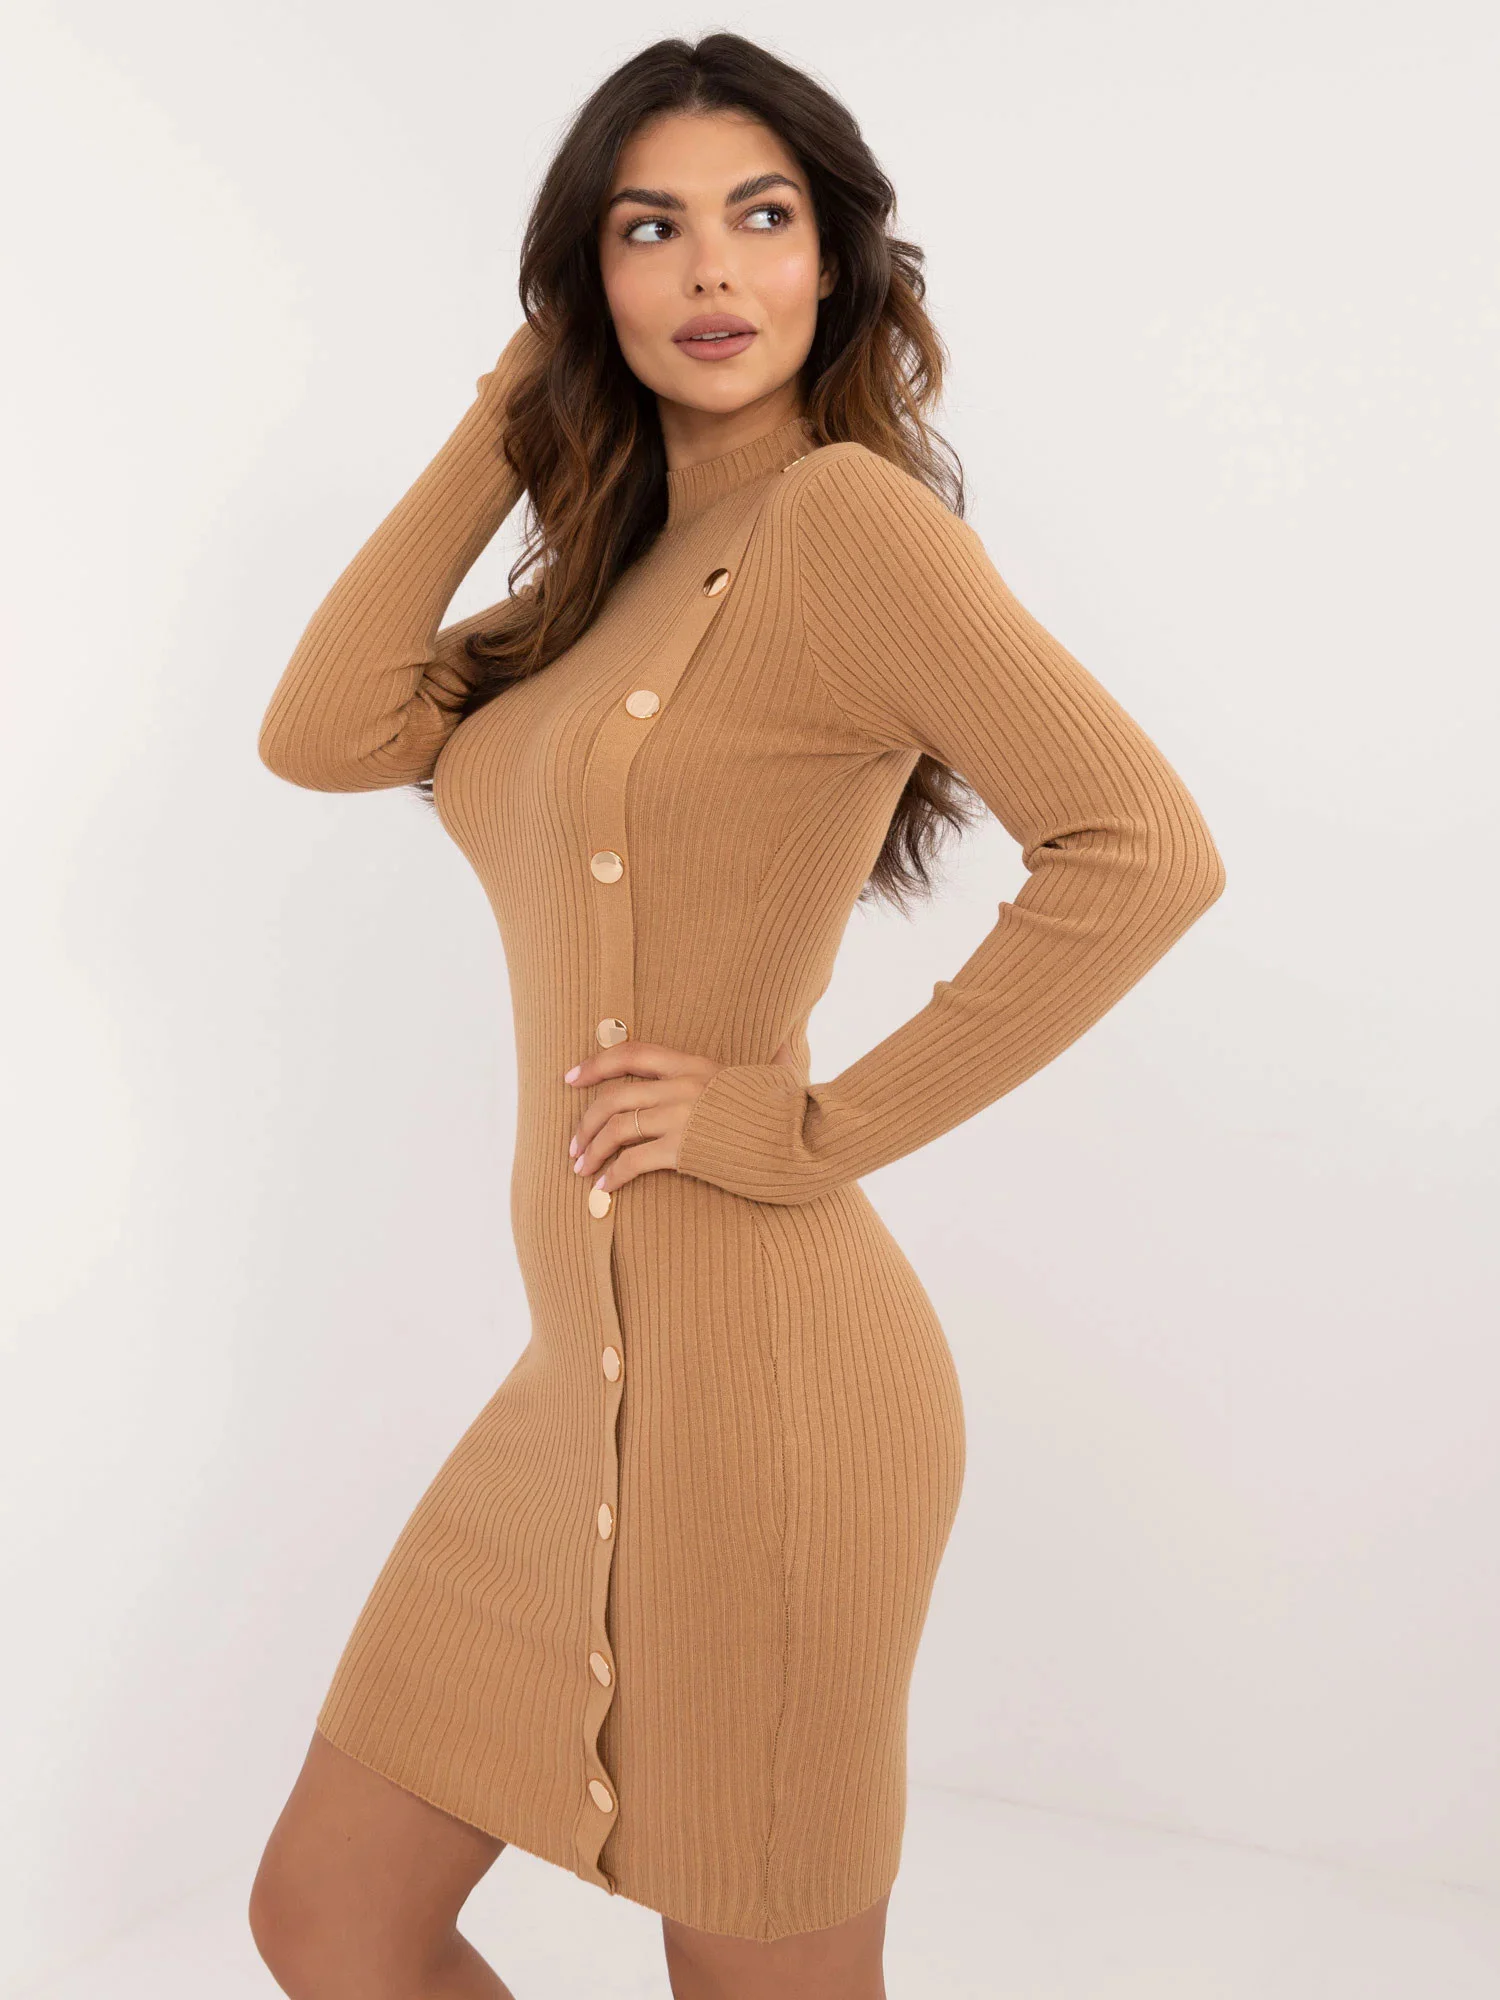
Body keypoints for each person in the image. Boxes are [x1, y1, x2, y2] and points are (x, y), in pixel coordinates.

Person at [247, 30, 1226, 2000]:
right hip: (579, 1386)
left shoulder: (850, 525)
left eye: (761, 218)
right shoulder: (603, 576)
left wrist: (805, 1127)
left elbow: (1144, 849)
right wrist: (512, 416)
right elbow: (323, 729)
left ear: (833, 259)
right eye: (650, 229)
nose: (711, 269)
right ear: (586, 282)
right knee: (332, 1917)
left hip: (776, 1405)